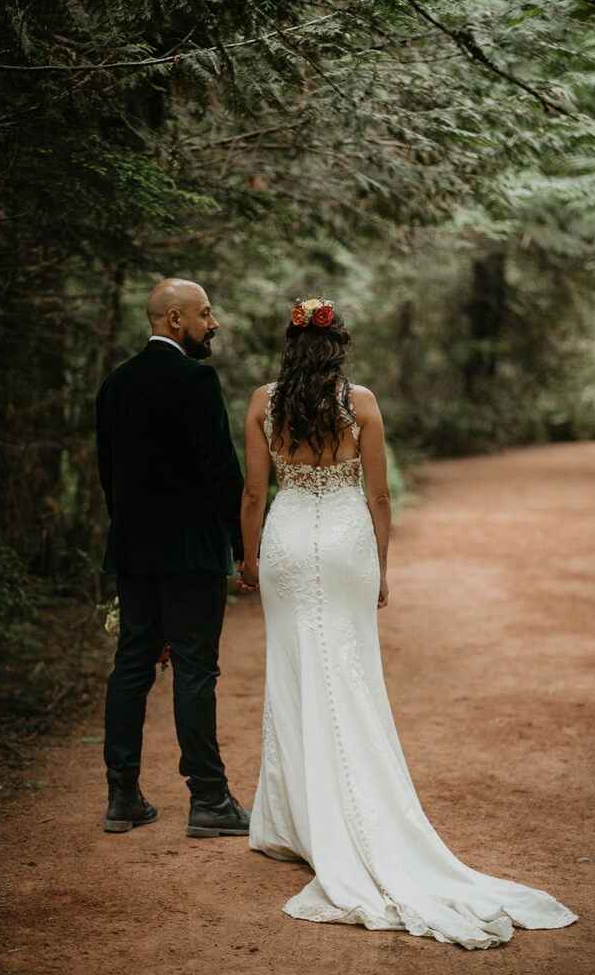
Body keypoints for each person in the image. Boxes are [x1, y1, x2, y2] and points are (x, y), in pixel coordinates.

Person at [238, 297, 577, 949]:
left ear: (289, 344)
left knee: (292, 671)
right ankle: (335, 818)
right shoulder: (359, 402)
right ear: (338, 346)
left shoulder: (263, 402)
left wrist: (248, 557)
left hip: (285, 540)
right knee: (350, 673)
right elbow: (379, 495)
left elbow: (254, 493)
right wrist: (381, 567)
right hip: (344, 545)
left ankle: (291, 824)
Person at [96, 278, 250, 837]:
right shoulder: (196, 379)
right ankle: (209, 800)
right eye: (206, 314)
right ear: (175, 319)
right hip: (191, 555)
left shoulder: (115, 383)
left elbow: (108, 476)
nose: (214, 324)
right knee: (194, 669)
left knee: (131, 665)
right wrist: (242, 546)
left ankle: (122, 797)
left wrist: (132, 537)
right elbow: (220, 473)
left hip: (135, 554)